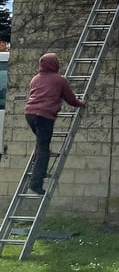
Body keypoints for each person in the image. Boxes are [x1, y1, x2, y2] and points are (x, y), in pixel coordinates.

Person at [23, 53, 85, 196]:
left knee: (41, 145)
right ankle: (36, 183)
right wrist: (81, 103)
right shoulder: (59, 80)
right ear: (54, 64)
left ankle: (40, 171)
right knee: (43, 149)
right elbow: (71, 100)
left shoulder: (35, 79)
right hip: (44, 116)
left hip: (29, 114)